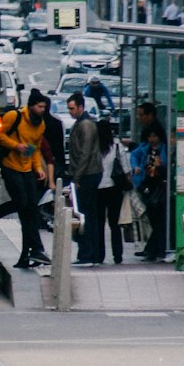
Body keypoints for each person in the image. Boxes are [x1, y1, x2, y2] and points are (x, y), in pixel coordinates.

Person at [0, 91, 52, 269]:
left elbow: (36, 148)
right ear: (31, 105)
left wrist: (38, 169)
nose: (42, 110)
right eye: (39, 106)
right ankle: (35, 249)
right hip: (10, 166)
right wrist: (16, 145)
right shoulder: (14, 116)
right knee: (24, 205)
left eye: (44, 107)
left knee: (29, 210)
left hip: (26, 169)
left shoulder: (40, 125)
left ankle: (29, 253)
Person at [66, 93, 103, 266]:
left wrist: (76, 177)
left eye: (72, 108)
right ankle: (89, 253)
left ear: (81, 107)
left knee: (85, 215)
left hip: (88, 174)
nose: (70, 112)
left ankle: (87, 254)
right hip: (87, 173)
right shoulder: (81, 123)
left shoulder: (86, 125)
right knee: (87, 215)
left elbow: (85, 153)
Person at [130, 123, 170, 262]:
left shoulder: (165, 149)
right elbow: (134, 156)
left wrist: (161, 166)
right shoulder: (145, 149)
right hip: (147, 185)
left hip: (160, 187)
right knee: (154, 219)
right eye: (150, 136)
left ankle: (153, 249)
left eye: (155, 136)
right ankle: (154, 248)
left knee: (158, 220)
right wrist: (136, 168)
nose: (152, 139)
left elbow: (167, 167)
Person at [95, 120, 131, 265]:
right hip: (114, 188)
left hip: (98, 188)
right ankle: (118, 255)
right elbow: (125, 168)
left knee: (99, 224)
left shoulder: (94, 146)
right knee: (114, 224)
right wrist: (129, 183)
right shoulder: (117, 145)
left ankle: (99, 255)